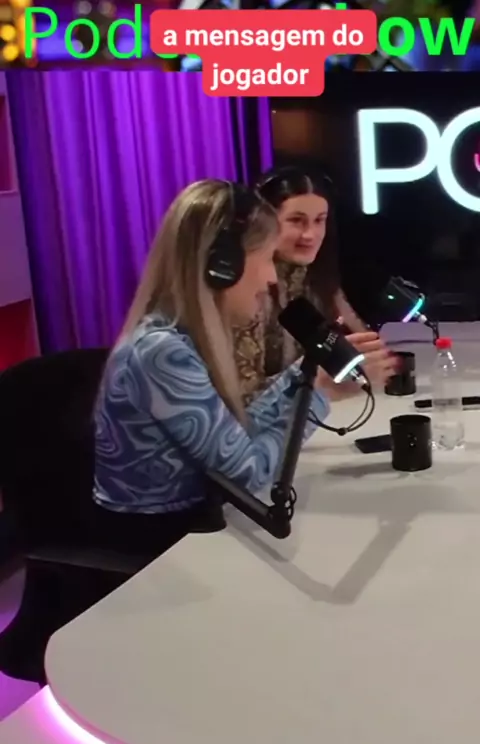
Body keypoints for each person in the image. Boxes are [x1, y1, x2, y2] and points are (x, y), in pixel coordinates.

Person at [94, 180, 342, 554]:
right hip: (158, 545)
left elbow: (234, 438)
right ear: (222, 267)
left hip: (192, 524)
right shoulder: (161, 353)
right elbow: (249, 474)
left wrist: (305, 376)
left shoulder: (182, 335)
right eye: (265, 258)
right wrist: (319, 397)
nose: (271, 277)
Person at [234, 166, 395, 403]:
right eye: (296, 221)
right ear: (263, 223)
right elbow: (242, 396)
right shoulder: (243, 289)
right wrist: (316, 382)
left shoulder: (317, 275)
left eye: (320, 220)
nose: (310, 234)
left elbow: (361, 340)